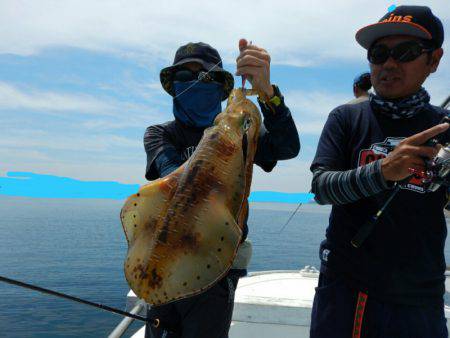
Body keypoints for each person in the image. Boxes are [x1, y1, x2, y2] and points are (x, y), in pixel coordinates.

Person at [143, 40, 300, 338]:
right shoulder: (160, 134)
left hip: (218, 265)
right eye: (184, 78)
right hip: (164, 258)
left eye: (205, 77)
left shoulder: (244, 133)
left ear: (220, 86)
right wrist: (226, 136)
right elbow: (175, 180)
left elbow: (288, 147)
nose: (194, 84)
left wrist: (268, 96)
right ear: (173, 86)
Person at [310, 5, 449, 338]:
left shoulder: (445, 129)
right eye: (379, 53)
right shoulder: (345, 118)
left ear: (434, 60)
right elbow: (321, 188)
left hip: (422, 296)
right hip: (348, 290)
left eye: (405, 52)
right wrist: (382, 172)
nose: (389, 63)